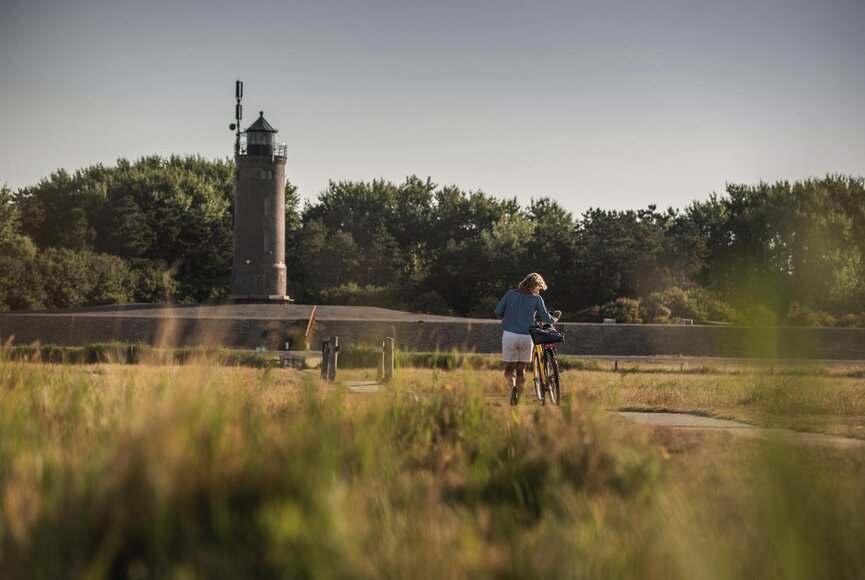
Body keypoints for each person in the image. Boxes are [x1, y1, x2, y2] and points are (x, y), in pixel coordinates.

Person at [494, 273, 562, 406]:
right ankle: (518, 396)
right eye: (539, 288)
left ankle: (512, 387)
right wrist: (556, 317)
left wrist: (509, 314)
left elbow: (498, 311)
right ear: (536, 285)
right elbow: (547, 319)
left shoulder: (510, 294)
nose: (539, 290)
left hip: (509, 335)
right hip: (527, 336)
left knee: (509, 369)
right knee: (521, 370)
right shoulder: (536, 299)